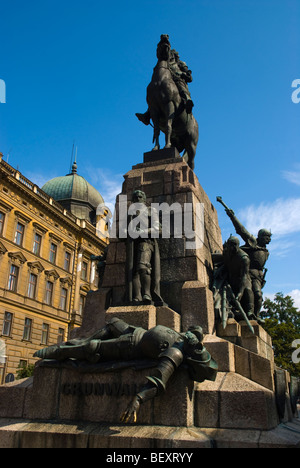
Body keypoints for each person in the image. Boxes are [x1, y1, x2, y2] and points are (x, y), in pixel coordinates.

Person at [33, 317, 218, 423]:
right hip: (133, 331)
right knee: (113, 322)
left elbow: (159, 379)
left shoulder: (176, 353)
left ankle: (60, 352)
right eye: (193, 333)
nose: (192, 334)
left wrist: (138, 399)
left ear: (192, 351)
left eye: (195, 338)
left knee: (92, 348)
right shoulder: (179, 336)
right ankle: (83, 342)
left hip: (128, 346)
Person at [225, 208, 271, 319]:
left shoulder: (266, 251)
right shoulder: (253, 243)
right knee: (250, 292)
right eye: (267, 237)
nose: (269, 239)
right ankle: (249, 313)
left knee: (259, 296)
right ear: (260, 236)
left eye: (269, 237)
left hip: (258, 277)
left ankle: (256, 315)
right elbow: (241, 229)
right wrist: (232, 216)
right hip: (247, 272)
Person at [126, 190, 163, 305]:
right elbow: (120, 231)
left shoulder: (151, 211)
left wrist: (142, 232)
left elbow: (158, 229)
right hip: (132, 245)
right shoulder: (130, 214)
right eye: (135, 197)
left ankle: (147, 294)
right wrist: (126, 232)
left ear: (144, 199)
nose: (138, 199)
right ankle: (137, 296)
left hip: (146, 242)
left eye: (140, 197)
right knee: (133, 272)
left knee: (143, 267)